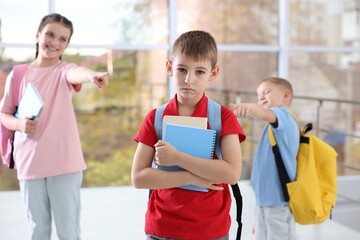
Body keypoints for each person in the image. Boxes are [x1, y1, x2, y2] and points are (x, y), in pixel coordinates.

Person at [0, 13, 109, 239]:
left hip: (64, 164)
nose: (54, 42)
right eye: (50, 34)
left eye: (62, 39)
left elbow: (77, 72)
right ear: (38, 35)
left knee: (68, 231)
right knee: (37, 230)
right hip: (29, 164)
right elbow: (4, 114)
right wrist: (20, 124)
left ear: (66, 45)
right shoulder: (18, 74)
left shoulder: (63, 71)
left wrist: (92, 75)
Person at [131, 30, 246, 240]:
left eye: (199, 71)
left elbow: (231, 174)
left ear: (213, 73)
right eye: (181, 69)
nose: (188, 79)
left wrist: (177, 158)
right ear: (169, 68)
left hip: (210, 230)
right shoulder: (155, 118)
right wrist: (192, 177)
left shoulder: (223, 117)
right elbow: (138, 178)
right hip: (161, 228)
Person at [230, 77, 299, 240]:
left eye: (266, 92)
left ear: (285, 95)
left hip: (278, 201)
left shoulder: (284, 117)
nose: (261, 97)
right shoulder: (272, 128)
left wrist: (249, 107)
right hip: (266, 200)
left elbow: (263, 113)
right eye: (258, 94)